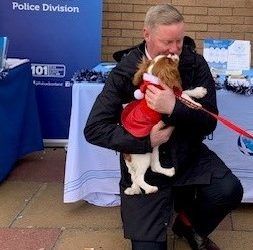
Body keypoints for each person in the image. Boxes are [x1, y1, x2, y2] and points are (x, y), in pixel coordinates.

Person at [84, 4, 243, 250]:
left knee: (229, 190)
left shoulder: (195, 64)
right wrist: (146, 141)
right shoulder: (125, 70)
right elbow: (94, 128)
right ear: (146, 34)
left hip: (187, 155)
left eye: (179, 41)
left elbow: (210, 121)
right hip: (144, 165)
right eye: (167, 42)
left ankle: (188, 225)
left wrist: (174, 108)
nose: (175, 49)